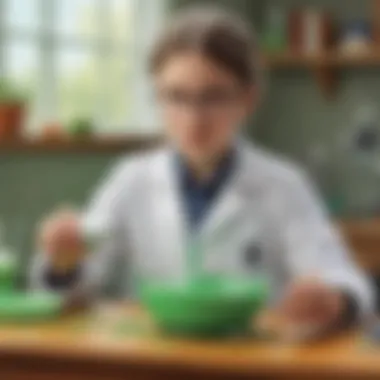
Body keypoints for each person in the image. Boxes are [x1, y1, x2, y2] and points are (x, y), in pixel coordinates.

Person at [31, 6, 373, 339]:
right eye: (176, 97)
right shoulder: (131, 179)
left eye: (213, 97)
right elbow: (74, 285)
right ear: (157, 97)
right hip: (151, 362)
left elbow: (344, 279)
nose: (193, 118)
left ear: (248, 99)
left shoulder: (283, 185)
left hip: (249, 364)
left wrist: (333, 301)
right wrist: (65, 260)